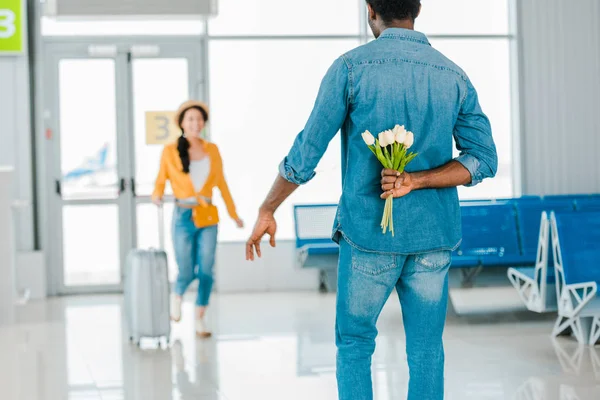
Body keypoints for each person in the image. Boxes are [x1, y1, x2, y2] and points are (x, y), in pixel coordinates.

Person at [245, 1, 498, 399]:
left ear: (370, 12)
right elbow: (483, 159)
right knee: (428, 350)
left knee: (355, 345)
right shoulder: (453, 75)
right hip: (433, 236)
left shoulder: (350, 68)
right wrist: (417, 180)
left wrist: (268, 207)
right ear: (417, 10)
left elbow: (306, 153)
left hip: (368, 239)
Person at [152, 100, 243, 338]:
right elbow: (161, 179)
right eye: (190, 119)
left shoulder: (212, 149)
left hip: (207, 216)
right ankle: (177, 295)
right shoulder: (170, 150)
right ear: (182, 123)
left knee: (206, 270)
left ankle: (200, 319)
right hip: (182, 214)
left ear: (204, 123)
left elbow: (222, 184)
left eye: (199, 119)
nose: (195, 123)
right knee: (185, 269)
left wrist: (233, 214)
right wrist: (157, 195)